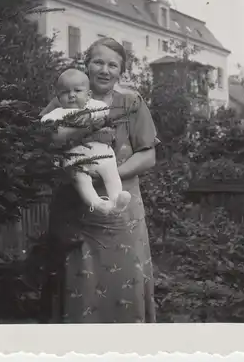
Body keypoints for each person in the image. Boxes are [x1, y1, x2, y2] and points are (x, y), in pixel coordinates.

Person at [43, 37, 159, 323]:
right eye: (98, 62)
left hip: (122, 216)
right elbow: (47, 139)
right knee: (79, 286)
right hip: (76, 214)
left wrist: (107, 173)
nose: (104, 70)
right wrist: (85, 131)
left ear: (122, 71)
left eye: (112, 64)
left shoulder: (131, 103)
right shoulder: (66, 97)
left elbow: (148, 156)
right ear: (86, 65)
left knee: (126, 287)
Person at [41, 68, 131, 215]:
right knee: (81, 180)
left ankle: (117, 199)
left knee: (111, 171)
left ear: (88, 95)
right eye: (65, 92)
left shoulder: (92, 106)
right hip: (75, 157)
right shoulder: (57, 112)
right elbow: (45, 124)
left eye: (77, 91)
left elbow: (104, 110)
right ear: (58, 98)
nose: (71, 95)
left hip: (100, 152)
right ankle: (97, 204)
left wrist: (90, 116)